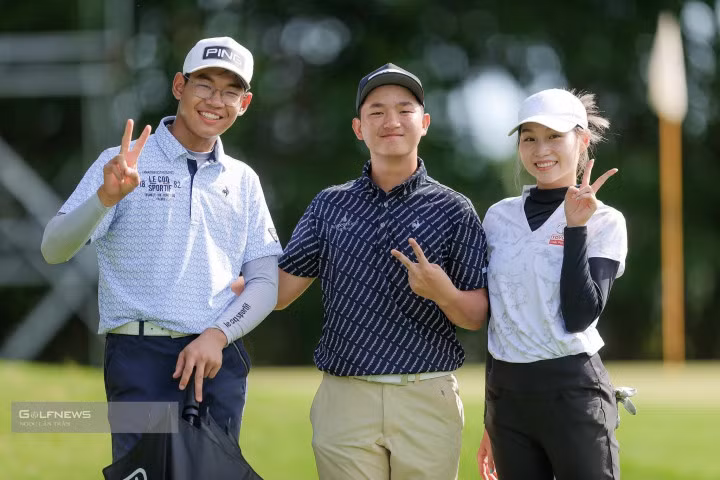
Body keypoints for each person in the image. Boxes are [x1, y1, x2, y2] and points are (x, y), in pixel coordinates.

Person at [239, 63, 489, 479]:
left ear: (424, 123)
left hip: (427, 395)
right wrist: (226, 283)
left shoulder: (454, 210)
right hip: (345, 400)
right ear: (359, 128)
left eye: (404, 110)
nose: (391, 121)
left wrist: (442, 292)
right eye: (376, 111)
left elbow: (477, 316)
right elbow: (279, 293)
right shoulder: (329, 206)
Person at [41, 36, 282, 461]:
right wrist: (104, 199)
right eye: (204, 84)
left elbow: (265, 280)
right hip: (140, 357)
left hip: (216, 359)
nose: (215, 100)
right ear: (179, 86)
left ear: (244, 103)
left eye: (230, 91)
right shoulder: (123, 161)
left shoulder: (243, 179)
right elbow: (53, 249)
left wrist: (218, 335)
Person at [476, 88, 627, 480]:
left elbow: (579, 316)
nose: (541, 150)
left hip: (573, 392)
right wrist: (489, 417)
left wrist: (575, 228)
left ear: (582, 140)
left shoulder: (604, 220)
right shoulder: (497, 218)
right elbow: (500, 321)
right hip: (508, 400)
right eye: (529, 138)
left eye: (554, 136)